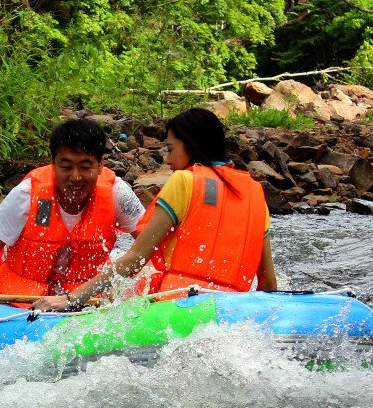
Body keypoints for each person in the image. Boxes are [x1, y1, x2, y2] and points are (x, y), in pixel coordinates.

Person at [33, 107, 277, 311]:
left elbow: (134, 260)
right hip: (232, 311)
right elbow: (268, 283)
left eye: (171, 149)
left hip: (175, 308)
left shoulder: (184, 181)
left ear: (190, 146)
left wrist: (70, 299)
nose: (168, 161)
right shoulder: (255, 194)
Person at [0, 119, 145, 298]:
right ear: (52, 163)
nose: (75, 177)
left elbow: (152, 246)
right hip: (18, 299)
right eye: (66, 166)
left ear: (100, 165)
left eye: (85, 166)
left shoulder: (118, 193)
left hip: (85, 297)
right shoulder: (26, 193)